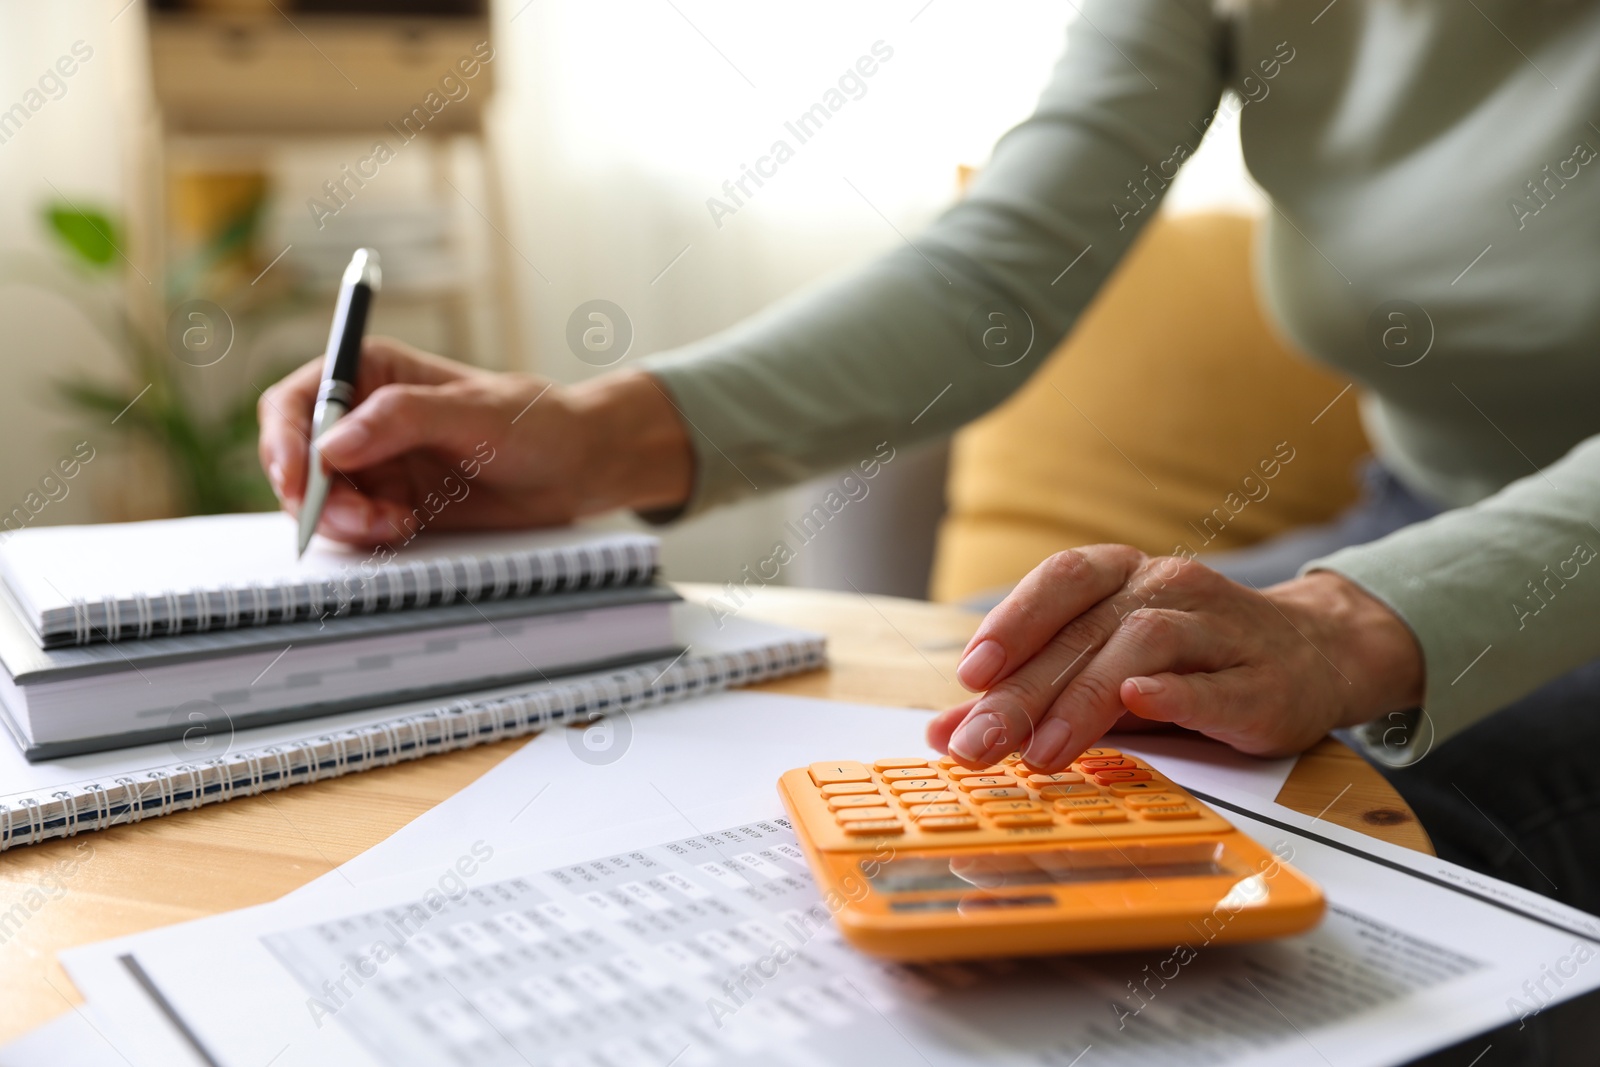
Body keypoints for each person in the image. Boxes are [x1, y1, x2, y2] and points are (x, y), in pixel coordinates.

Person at [260, 0, 1600, 944]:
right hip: (1410, 521)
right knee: (938, 730)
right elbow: (999, 269)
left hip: (1453, 591)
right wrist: (601, 434)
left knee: (1308, 886)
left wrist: (1361, 625)